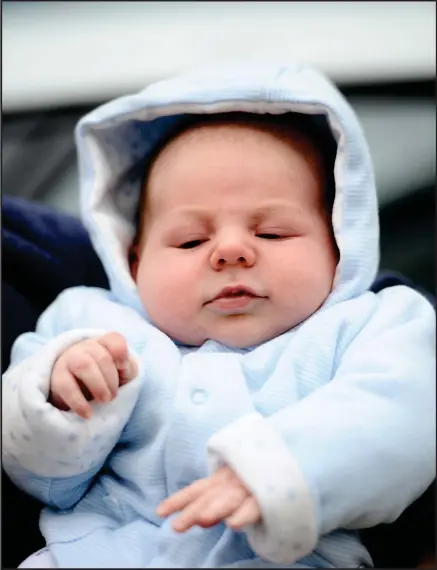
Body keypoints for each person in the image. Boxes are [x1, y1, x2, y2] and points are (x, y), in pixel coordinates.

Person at [2, 62, 435, 568]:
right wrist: (58, 397)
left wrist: (282, 470)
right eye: (190, 239)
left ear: (340, 246)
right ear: (133, 262)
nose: (230, 251)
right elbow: (38, 474)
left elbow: (402, 416)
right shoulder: (86, 322)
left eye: (272, 232)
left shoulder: (373, 326)